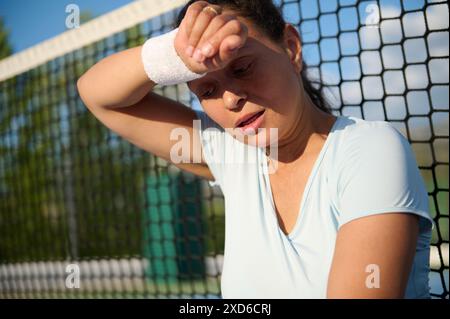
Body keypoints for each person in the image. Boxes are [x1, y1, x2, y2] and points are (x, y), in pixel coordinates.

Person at [77, 0, 434, 298]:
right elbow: (98, 95)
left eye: (243, 67)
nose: (231, 99)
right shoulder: (232, 154)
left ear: (291, 48)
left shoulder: (371, 150)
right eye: (207, 90)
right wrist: (172, 55)